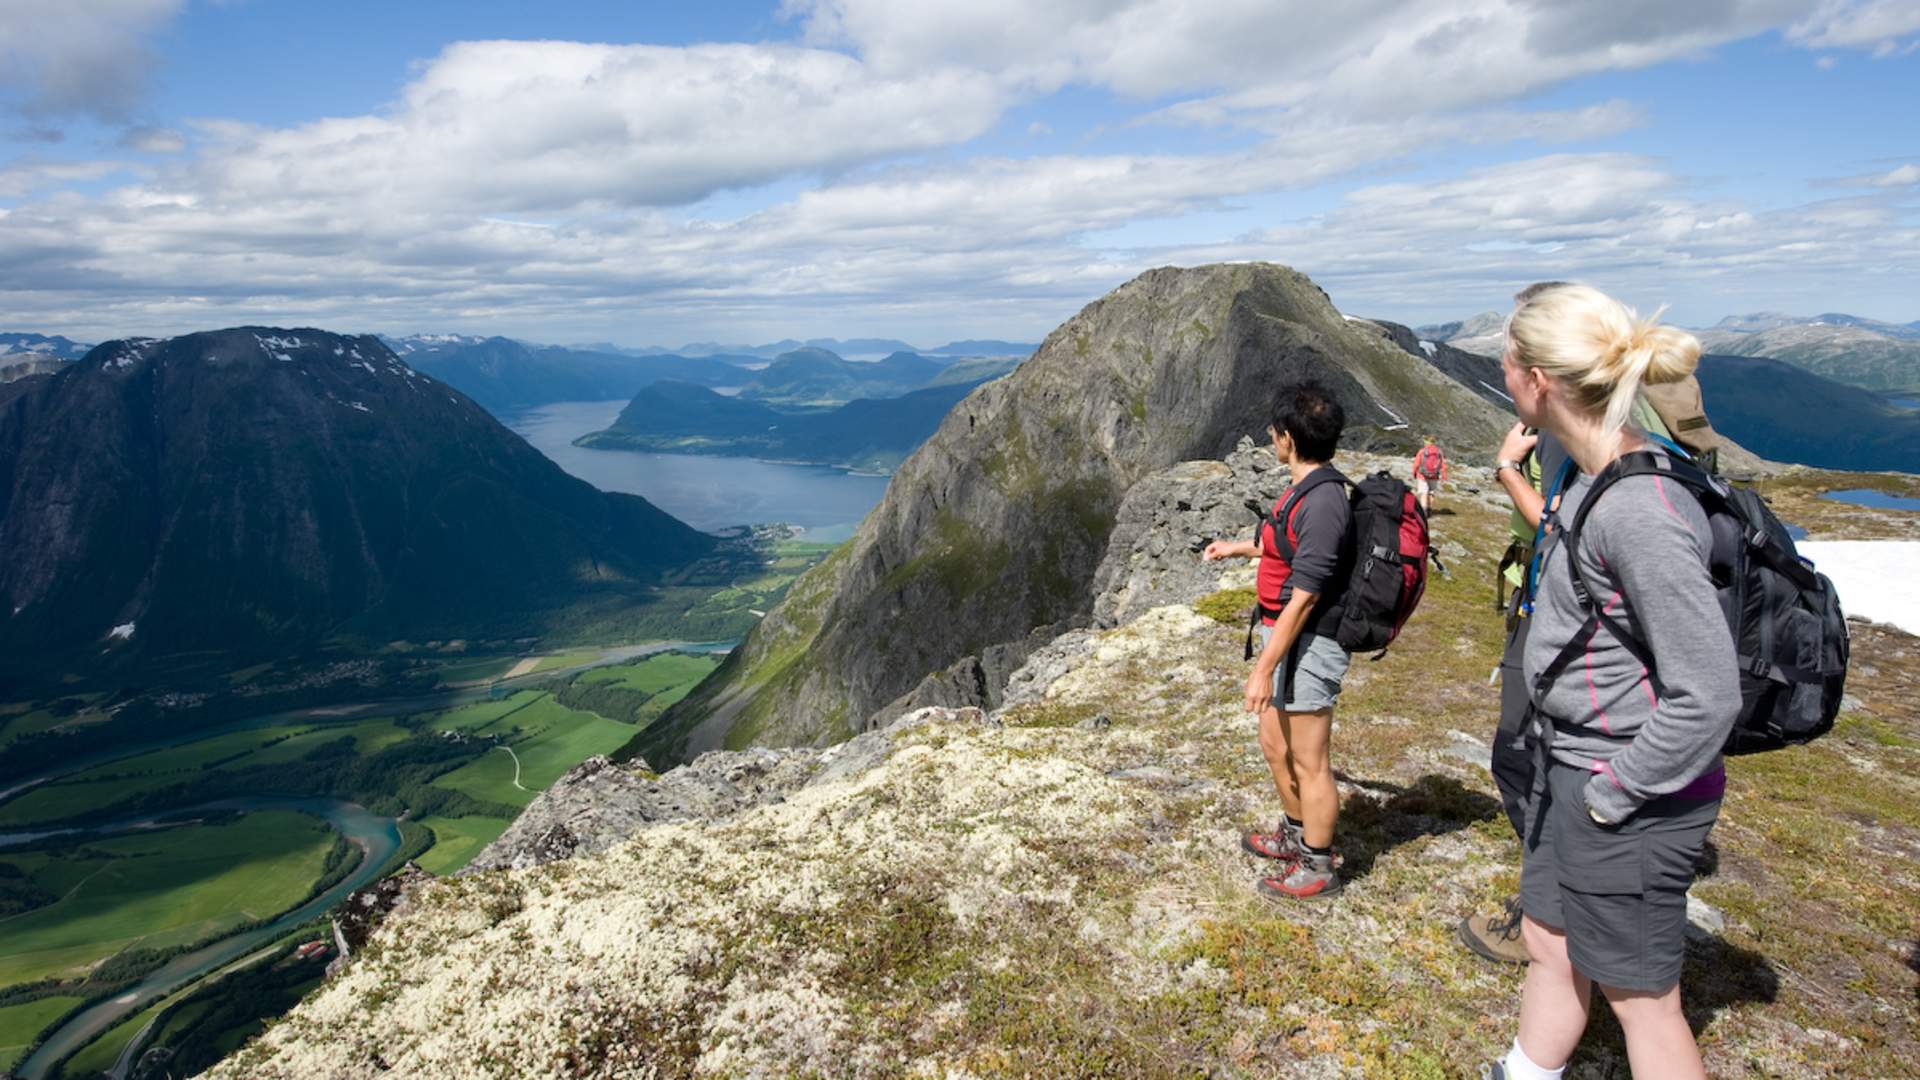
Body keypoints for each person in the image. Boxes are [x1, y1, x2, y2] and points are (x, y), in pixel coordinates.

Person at [1484, 283, 1737, 1080]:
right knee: (1550, 940)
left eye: (1509, 356)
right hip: (1578, 769)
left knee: (1642, 999)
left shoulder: (1641, 507)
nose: (1501, 366)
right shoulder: (1595, 477)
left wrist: (1613, 793)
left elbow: (1708, 692)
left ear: (1537, 382)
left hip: (1623, 786)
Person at [1203, 382, 1354, 900]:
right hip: (1282, 633)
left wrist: (1263, 667)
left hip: (1309, 641)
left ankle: (1318, 864)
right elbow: (1278, 541)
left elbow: (1306, 596)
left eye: (1274, 432)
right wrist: (1238, 549)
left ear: (1288, 437)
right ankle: (1294, 832)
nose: (1271, 439)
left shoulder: (1326, 502)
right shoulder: (1301, 488)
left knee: (1310, 759)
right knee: (1274, 745)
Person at [1412, 435, 1448, 516]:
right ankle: (1429, 509)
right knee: (1431, 492)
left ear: (1426, 442)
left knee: (1424, 493)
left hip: (1422, 476)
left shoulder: (1422, 451)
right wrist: (1443, 476)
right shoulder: (1439, 451)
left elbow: (1416, 464)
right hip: (1434, 475)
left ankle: (1423, 512)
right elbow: (1443, 464)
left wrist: (1414, 473)